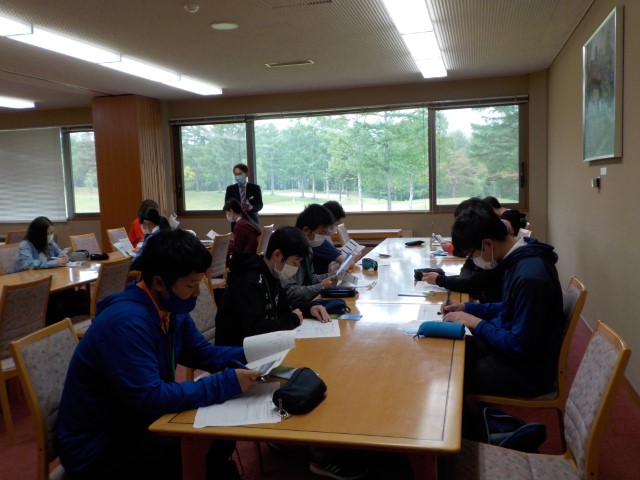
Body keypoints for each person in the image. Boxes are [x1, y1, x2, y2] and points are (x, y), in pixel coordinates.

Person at [57, 228, 262, 480]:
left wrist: (256, 353)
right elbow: (150, 397)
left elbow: (201, 352)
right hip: (100, 446)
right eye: (191, 285)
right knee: (196, 449)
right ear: (158, 282)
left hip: (135, 421)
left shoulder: (168, 308)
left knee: (218, 439)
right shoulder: (126, 324)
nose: (197, 293)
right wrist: (226, 382)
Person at [441, 199, 564, 397]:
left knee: (449, 374)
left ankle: (476, 416)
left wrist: (476, 323)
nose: (473, 261)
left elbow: (519, 347)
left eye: (472, 255)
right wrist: (467, 308)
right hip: (513, 352)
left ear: (488, 243)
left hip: (525, 371)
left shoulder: (530, 277)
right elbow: (509, 306)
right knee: (450, 352)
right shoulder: (518, 260)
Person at [215, 226, 330, 348]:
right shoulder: (248, 281)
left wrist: (309, 309)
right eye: (295, 262)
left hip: (259, 346)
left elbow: (285, 305)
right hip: (237, 351)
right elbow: (256, 328)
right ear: (277, 255)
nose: (296, 268)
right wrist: (293, 319)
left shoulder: (271, 274)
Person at [422, 198, 503, 303]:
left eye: (471, 254)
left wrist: (440, 280)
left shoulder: (496, 262)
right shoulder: (486, 252)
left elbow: (473, 285)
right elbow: (468, 267)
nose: (471, 257)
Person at [14, 217, 89, 325]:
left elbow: (60, 254)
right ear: (39, 234)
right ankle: (56, 321)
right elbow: (28, 264)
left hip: (48, 278)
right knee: (58, 298)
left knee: (67, 289)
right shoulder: (25, 245)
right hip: (28, 281)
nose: (51, 236)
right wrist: (53, 263)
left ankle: (68, 315)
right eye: (48, 233)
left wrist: (64, 258)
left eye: (52, 233)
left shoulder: (49, 243)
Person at [282, 204, 338, 307]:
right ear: (306, 230)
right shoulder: (289, 251)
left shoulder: (308, 250)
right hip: (292, 307)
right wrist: (320, 286)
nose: (323, 237)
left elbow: (309, 278)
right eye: (322, 233)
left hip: (304, 304)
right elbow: (289, 292)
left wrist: (333, 275)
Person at [311, 200, 361, 274]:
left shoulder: (319, 237)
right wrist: (354, 258)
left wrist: (335, 251)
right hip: (323, 278)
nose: (335, 228)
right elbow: (349, 264)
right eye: (336, 225)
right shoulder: (319, 241)